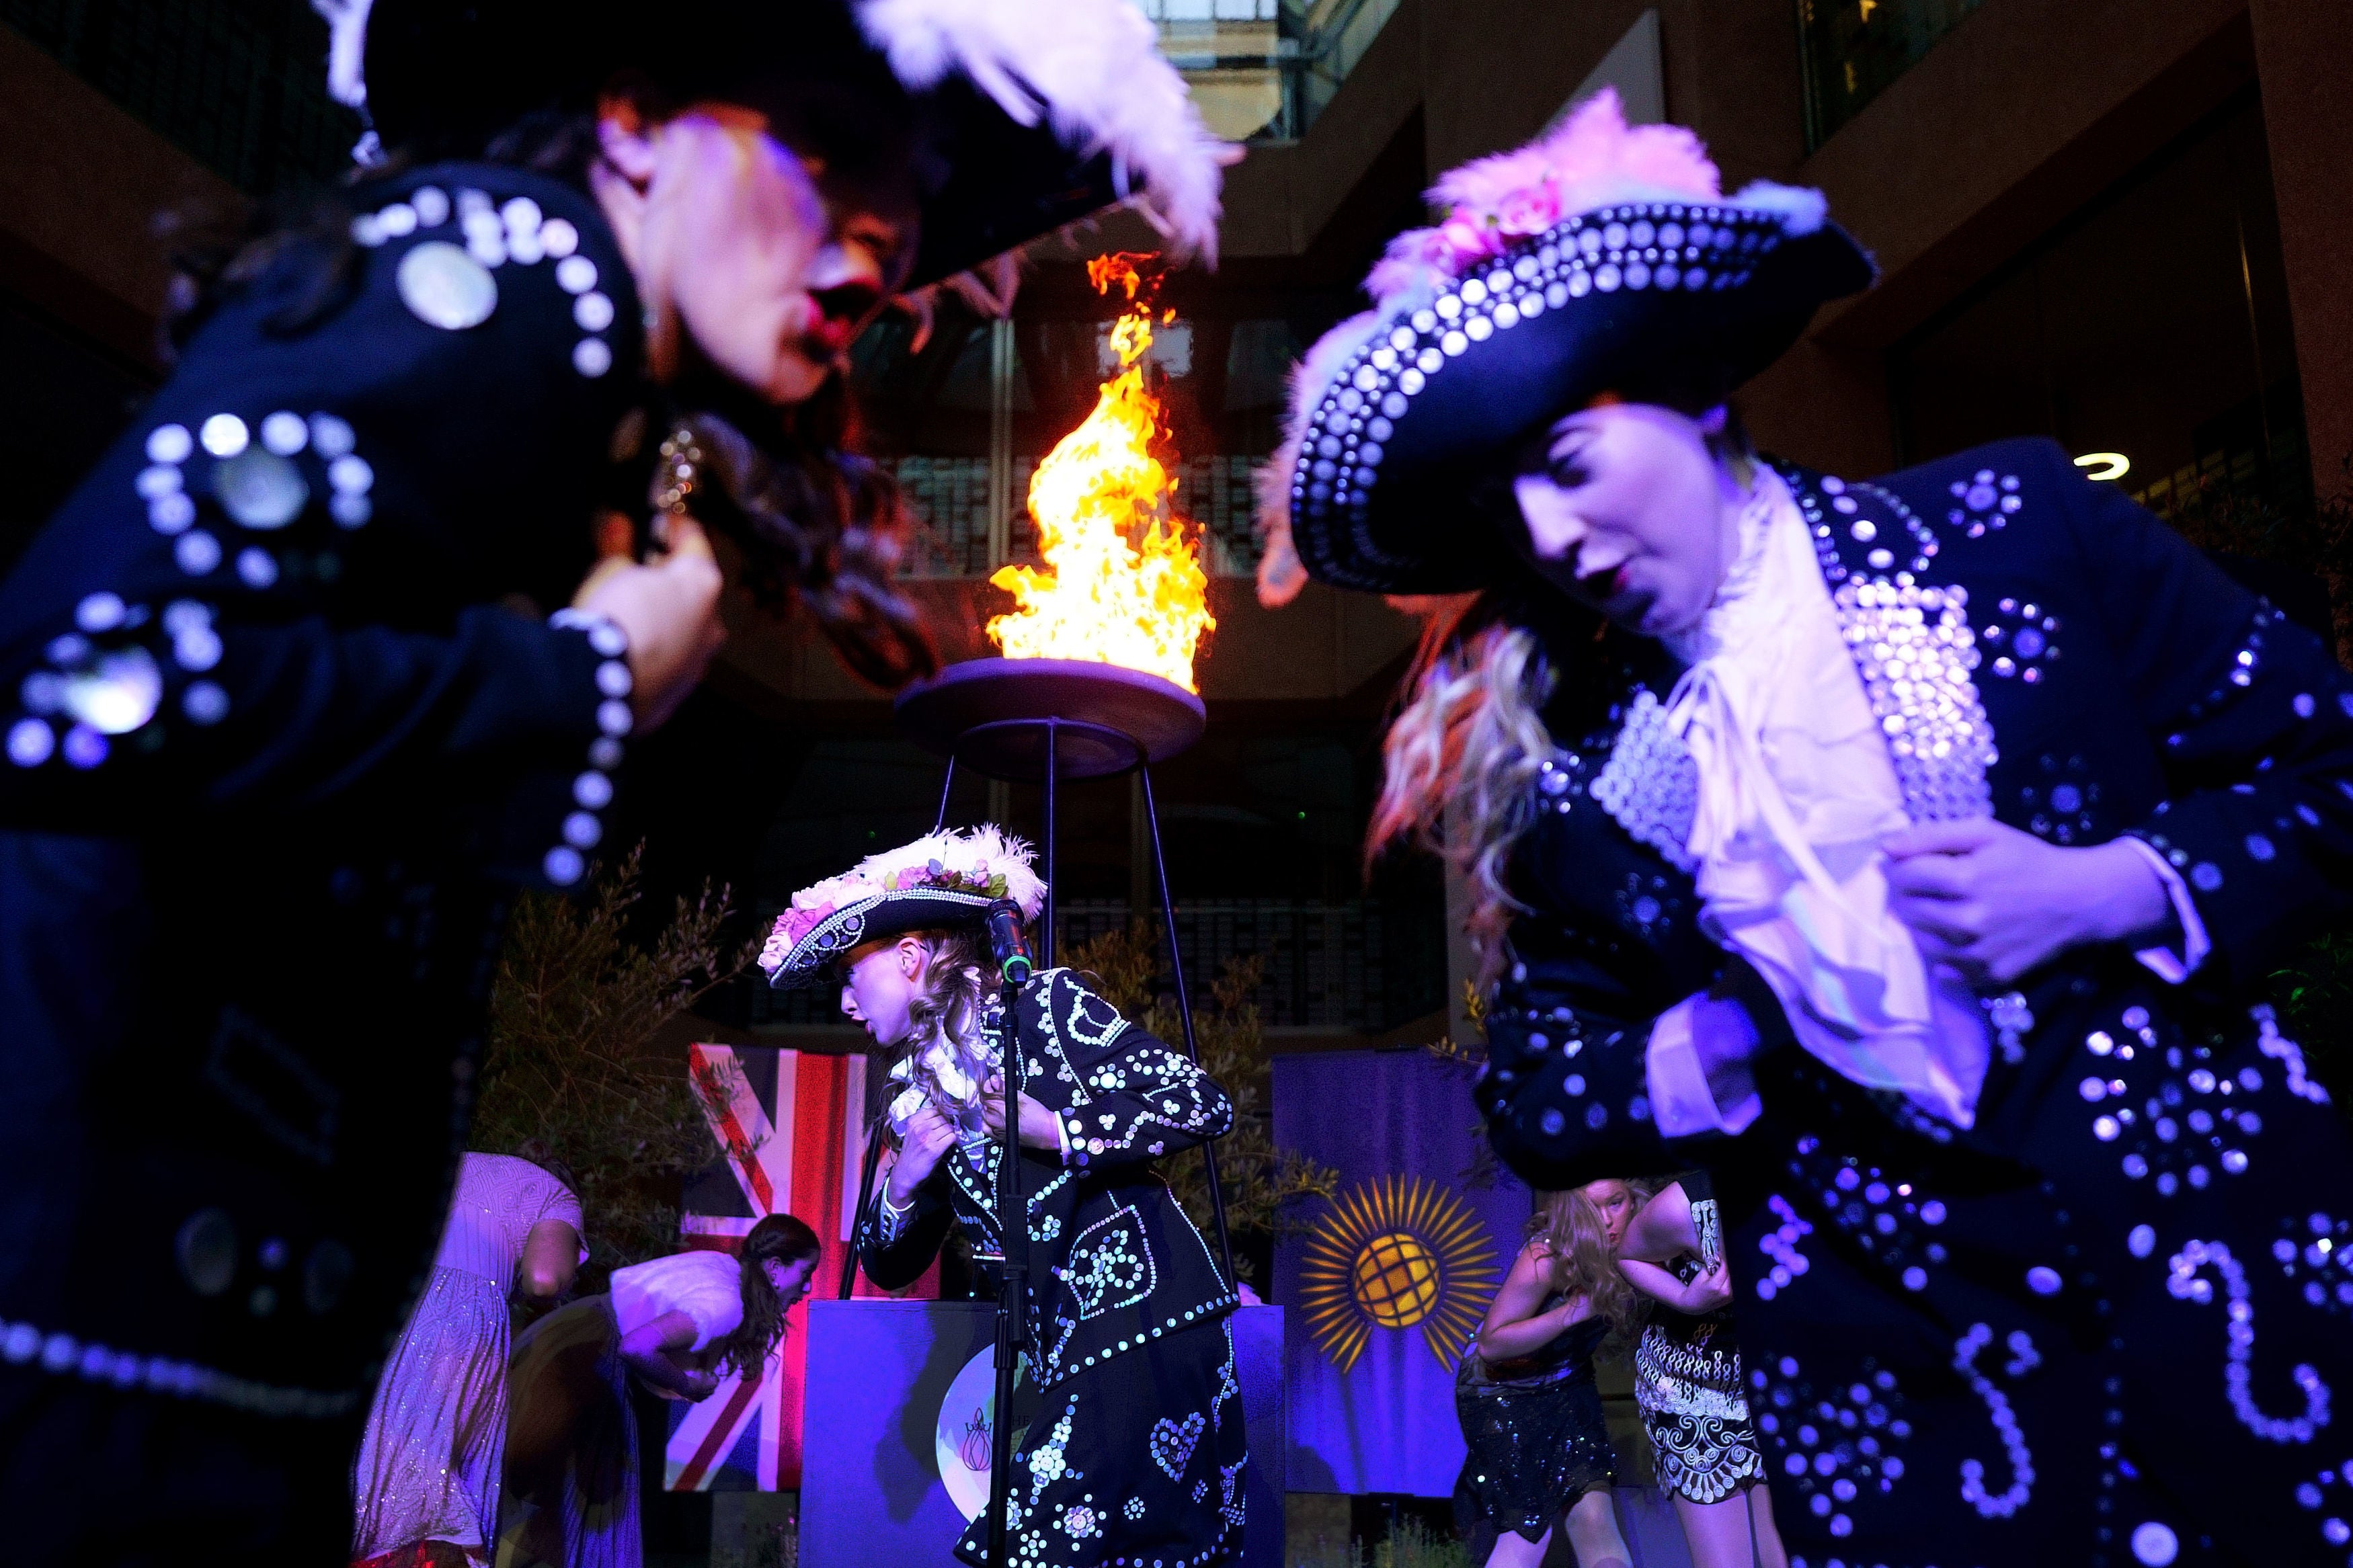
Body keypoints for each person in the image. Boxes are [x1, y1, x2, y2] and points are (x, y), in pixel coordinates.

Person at [0, 3, 1222, 1560]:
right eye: (828, 160)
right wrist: (582, 679)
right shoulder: (509, 259)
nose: (877, 245)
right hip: (94, 1316)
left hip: (168, 1335)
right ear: (633, 121)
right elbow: (86, 690)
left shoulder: (564, 359)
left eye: (906, 207)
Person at [1261, 85, 2353, 1564]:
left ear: (1694, 390)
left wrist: (2104, 887)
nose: (1560, 542)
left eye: (1572, 468)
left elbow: (2318, 762)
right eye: (1517, 518)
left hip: (2235, 1306)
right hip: (1900, 1410)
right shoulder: (1577, 779)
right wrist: (1724, 1036)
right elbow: (1534, 1087)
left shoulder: (2012, 526)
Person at [760, 824, 1246, 1568]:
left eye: (850, 982)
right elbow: (887, 1265)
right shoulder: (916, 1096)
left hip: (1145, 1324)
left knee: (1034, 1548)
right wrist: (903, 1181)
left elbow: (1199, 1101)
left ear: (910, 958)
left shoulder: (1043, 1009)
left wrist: (1059, 1129)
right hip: (1068, 1350)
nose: (849, 1009)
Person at [498, 1212, 820, 1568]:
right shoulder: (726, 1303)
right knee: (559, 1511)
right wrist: (689, 1385)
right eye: (805, 1275)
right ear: (775, 1268)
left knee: (561, 1509)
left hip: (574, 1340)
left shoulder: (724, 1268)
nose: (806, 1289)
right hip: (583, 1362)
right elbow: (637, 1346)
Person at [351, 1152, 586, 1568]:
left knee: (378, 1457)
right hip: (460, 1319)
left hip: (387, 1298)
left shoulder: (452, 1156)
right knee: (439, 1471)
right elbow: (544, 1279)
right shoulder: (555, 1195)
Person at [1453, 1180, 1641, 1568]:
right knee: (1529, 1533)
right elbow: (1492, 1343)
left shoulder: (1645, 1237)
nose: (1606, 1221)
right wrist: (1573, 1312)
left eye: (1616, 1203)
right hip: (1502, 1390)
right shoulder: (1549, 1254)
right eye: (1592, 1208)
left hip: (1570, 1381)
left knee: (1595, 1519)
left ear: (1634, 1197)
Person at [1616, 1174, 1784, 1568]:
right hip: (1692, 1391)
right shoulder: (1687, 1206)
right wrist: (1686, 1300)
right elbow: (1628, 1255)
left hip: (1776, 1385)